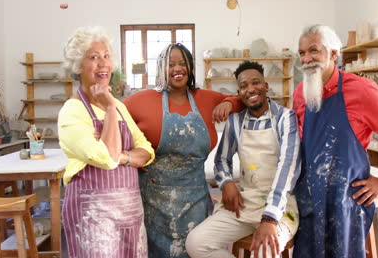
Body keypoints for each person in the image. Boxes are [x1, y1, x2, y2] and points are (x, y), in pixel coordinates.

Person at [292, 24, 378, 258]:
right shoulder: (301, 93)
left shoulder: (361, 90)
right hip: (308, 199)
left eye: (313, 50)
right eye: (302, 53)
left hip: (345, 202)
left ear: (334, 54)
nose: (306, 58)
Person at [123, 43, 243, 258]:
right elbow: (112, 119)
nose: (177, 68)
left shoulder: (206, 98)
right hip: (153, 199)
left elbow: (243, 100)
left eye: (182, 63)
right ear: (160, 68)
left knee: (195, 249)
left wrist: (228, 103)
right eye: (170, 64)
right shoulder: (139, 101)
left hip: (194, 198)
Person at [186, 61, 301, 258]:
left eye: (255, 83)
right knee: (196, 243)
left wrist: (270, 219)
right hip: (245, 202)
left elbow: (288, 168)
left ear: (266, 86)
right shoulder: (235, 121)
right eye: (243, 86)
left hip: (280, 206)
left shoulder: (285, 117)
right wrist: (227, 183)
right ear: (239, 93)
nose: (250, 89)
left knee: (265, 251)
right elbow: (221, 160)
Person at [58, 26, 155, 258]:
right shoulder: (73, 111)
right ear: (78, 66)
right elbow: (108, 159)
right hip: (93, 218)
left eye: (106, 56)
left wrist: (125, 156)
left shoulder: (121, 107)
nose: (103, 63)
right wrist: (110, 107)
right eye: (93, 57)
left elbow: (147, 151)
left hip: (130, 213)